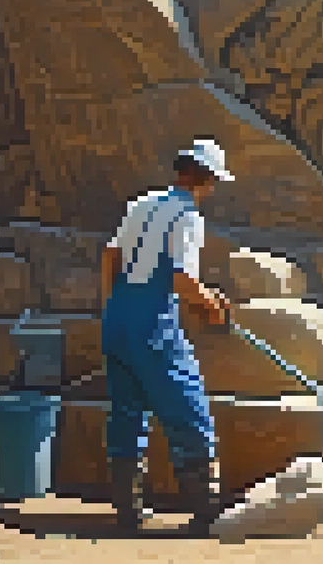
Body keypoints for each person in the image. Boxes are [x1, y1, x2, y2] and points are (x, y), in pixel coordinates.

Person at [100, 138, 235, 534]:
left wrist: (111, 310)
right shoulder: (188, 216)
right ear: (206, 180)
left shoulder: (141, 203)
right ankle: (205, 513)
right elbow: (181, 278)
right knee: (189, 411)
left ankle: (128, 514)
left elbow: (110, 257)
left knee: (127, 414)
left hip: (118, 319)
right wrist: (212, 303)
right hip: (153, 324)